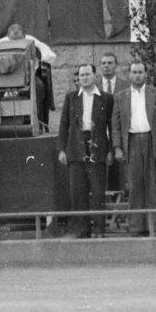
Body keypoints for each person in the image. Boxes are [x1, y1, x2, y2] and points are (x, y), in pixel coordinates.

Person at [57, 62, 117, 239]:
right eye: (81, 75)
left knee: (98, 191)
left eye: (87, 74)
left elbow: (112, 126)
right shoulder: (71, 97)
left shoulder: (105, 98)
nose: (84, 78)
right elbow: (63, 125)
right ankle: (82, 229)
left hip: (98, 146)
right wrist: (61, 149)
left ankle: (99, 229)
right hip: (76, 147)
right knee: (78, 192)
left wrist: (111, 149)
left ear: (94, 76)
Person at [114, 60, 156, 236]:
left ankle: (154, 227)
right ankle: (136, 227)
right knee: (135, 186)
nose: (137, 75)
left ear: (146, 74)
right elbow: (115, 125)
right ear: (129, 75)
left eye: (140, 72)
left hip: (150, 140)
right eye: (134, 72)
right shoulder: (120, 96)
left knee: (151, 186)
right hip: (131, 142)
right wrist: (117, 147)